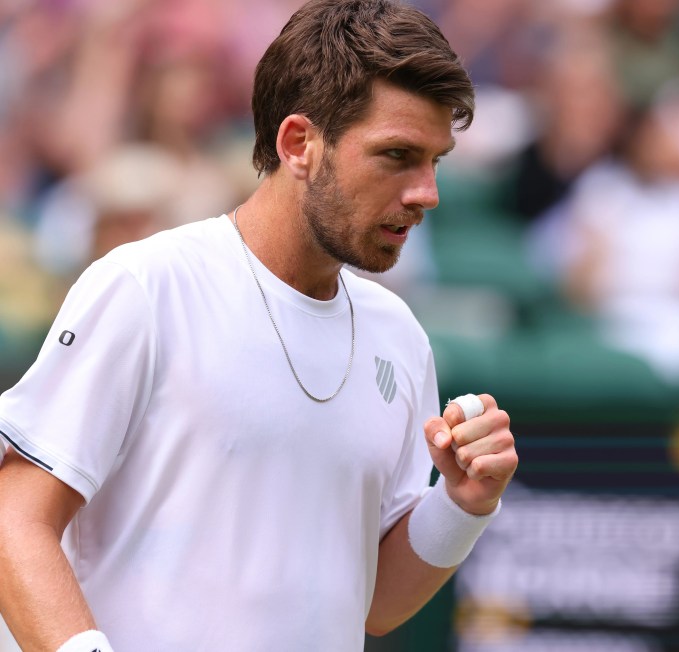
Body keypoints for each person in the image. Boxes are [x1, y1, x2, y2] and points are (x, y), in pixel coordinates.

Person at [0, 1, 518, 650]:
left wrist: (461, 505)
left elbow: (375, 603)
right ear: (298, 143)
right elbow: (14, 519)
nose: (427, 193)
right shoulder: (147, 286)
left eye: (435, 161)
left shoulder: (402, 339)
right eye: (397, 155)